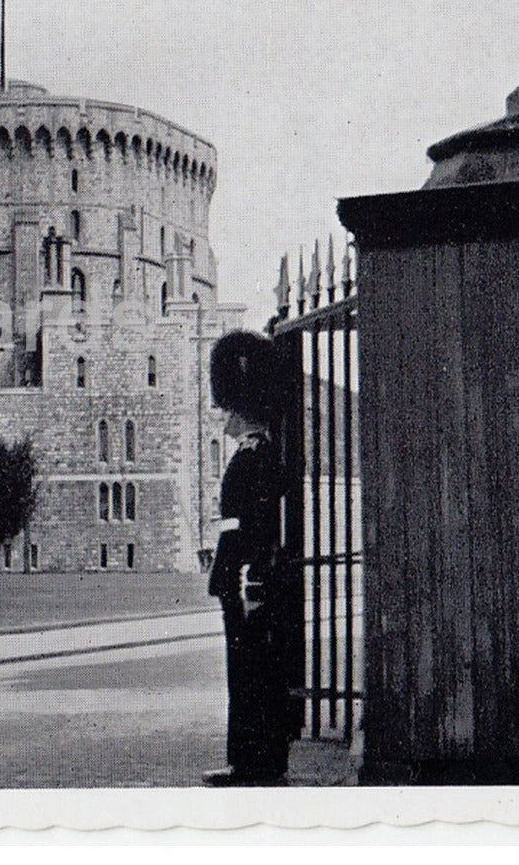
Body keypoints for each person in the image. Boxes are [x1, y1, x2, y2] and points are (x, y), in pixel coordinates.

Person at [204, 330, 295, 787]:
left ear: (244, 411)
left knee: (250, 674)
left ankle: (252, 763)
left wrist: (249, 578)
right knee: (252, 671)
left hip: (245, 579)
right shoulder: (255, 455)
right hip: (241, 575)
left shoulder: (253, 458)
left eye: (230, 413)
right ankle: (255, 759)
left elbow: (252, 527)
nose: (225, 422)